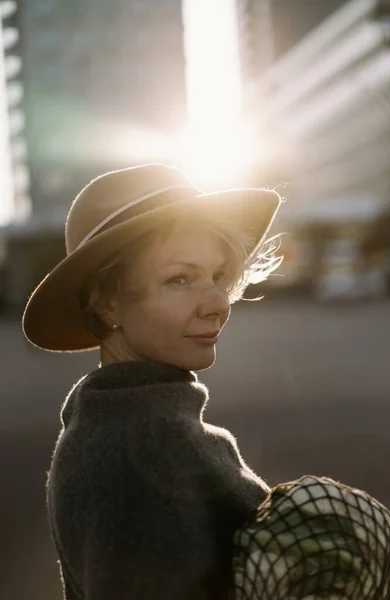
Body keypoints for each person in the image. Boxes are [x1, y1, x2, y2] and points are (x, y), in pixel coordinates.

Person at [22, 163, 283, 600]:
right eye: (179, 279)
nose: (218, 303)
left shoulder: (113, 424)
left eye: (218, 276)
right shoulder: (142, 447)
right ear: (106, 302)